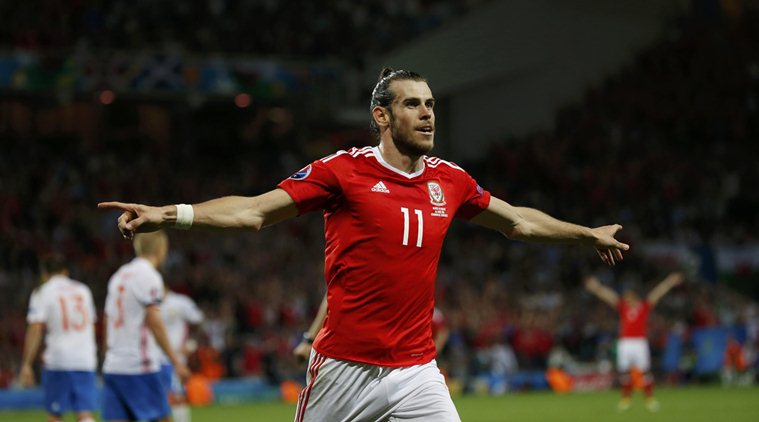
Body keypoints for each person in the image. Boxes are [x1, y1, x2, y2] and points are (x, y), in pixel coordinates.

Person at [99, 68, 629, 421]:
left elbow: (518, 222)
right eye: (413, 105)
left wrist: (585, 234)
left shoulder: (451, 180)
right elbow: (255, 212)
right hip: (344, 369)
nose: (427, 114)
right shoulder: (342, 172)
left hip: (417, 370)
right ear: (382, 116)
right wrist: (168, 214)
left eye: (431, 104)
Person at [102, 231, 191, 422]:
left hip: (113, 366)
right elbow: (155, 322)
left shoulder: (118, 276)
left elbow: (107, 321)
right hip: (139, 366)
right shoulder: (149, 276)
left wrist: (105, 357)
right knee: (162, 418)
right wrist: (176, 361)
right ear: (161, 250)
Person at [584, 272, 684, 412]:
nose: (626, 298)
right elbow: (609, 296)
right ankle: (626, 399)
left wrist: (670, 281)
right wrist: (595, 287)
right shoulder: (623, 307)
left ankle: (649, 399)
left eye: (628, 296)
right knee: (625, 372)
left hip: (639, 343)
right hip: (625, 343)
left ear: (634, 296)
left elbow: (657, 293)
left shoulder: (643, 307)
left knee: (645, 372)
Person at [19, 254, 98, 422]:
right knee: (84, 412)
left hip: (58, 359)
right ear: (66, 271)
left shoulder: (43, 292)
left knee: (55, 414)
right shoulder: (83, 290)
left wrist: (26, 363)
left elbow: (35, 328)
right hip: (85, 359)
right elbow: (91, 325)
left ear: (45, 274)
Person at [160, 286, 204, 422]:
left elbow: (199, 322)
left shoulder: (180, 302)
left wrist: (191, 344)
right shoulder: (148, 304)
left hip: (176, 358)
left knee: (177, 395)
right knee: (157, 398)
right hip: (153, 358)